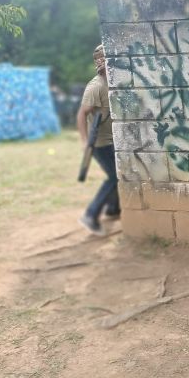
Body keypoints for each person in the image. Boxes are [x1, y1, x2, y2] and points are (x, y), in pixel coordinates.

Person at [76, 44, 120, 235]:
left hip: (112, 140)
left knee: (118, 174)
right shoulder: (96, 86)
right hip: (100, 143)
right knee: (114, 176)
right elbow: (82, 114)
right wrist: (85, 141)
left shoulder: (113, 82)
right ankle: (91, 214)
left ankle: (113, 208)